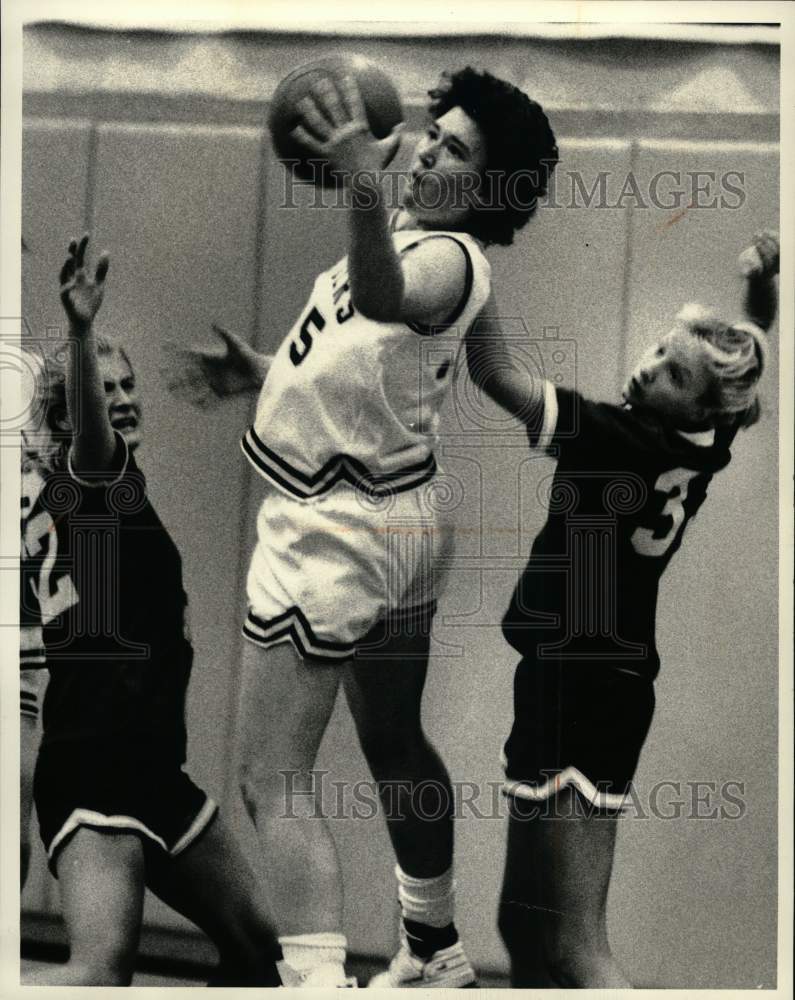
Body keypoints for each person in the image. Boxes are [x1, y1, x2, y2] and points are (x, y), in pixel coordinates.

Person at [167, 67, 557, 987]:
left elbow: (384, 298)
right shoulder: (422, 242)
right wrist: (265, 370)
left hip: (337, 529)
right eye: (434, 132)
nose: (427, 150)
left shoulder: (445, 256)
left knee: (271, 779)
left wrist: (358, 185)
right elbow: (373, 357)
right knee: (392, 741)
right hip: (400, 518)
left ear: (490, 187)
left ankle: (315, 981)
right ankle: (434, 947)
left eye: (455, 150)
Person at [465, 231, 779, 987]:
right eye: (658, 349)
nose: (649, 367)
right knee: (523, 928)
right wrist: (760, 294)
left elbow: (495, 374)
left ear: (699, 404)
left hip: (588, 686)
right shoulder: (705, 441)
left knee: (576, 947)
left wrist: (463, 267)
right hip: (571, 679)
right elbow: (747, 360)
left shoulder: (609, 436)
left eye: (673, 373)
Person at [23, 236, 283, 987]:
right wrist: (79, 330)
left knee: (261, 954)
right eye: (103, 388)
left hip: (153, 768)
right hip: (95, 762)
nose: (123, 397)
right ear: (70, 415)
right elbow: (93, 441)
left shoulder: (113, 496)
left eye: (128, 383)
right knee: (101, 970)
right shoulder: (91, 481)